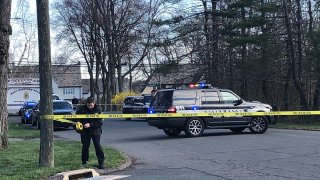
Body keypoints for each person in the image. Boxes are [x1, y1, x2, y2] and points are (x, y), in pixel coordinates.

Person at [76, 96, 105, 169]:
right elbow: (76, 118)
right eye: (88, 105)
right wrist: (78, 123)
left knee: (97, 146)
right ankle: (84, 161)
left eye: (91, 105)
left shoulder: (98, 109)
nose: (90, 107)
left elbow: (100, 122)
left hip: (95, 131)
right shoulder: (81, 109)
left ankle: (101, 163)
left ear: (94, 103)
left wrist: (90, 124)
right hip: (85, 131)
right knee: (85, 146)